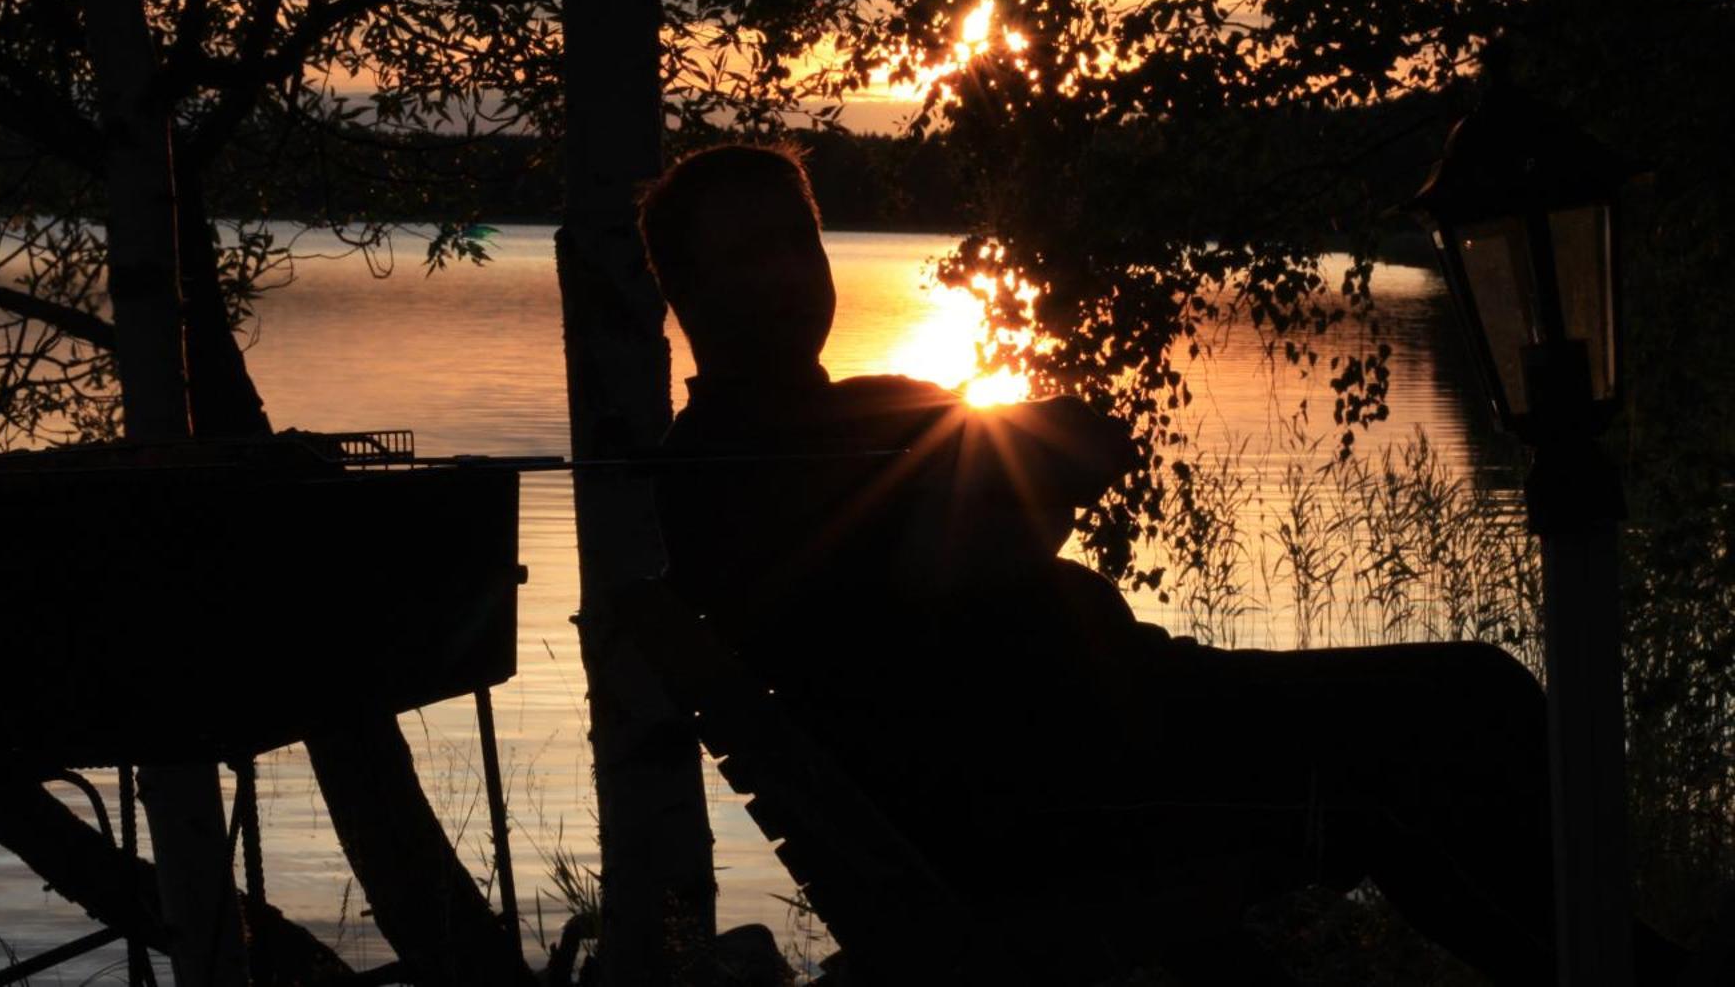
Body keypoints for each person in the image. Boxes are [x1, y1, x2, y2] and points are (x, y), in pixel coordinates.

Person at [641, 144, 1680, 986]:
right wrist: (1016, 474)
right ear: (680, 288)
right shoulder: (722, 474)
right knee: (1450, 719)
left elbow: (1056, 446)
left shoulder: (857, 411)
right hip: (1081, 796)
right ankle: (1615, 966)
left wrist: (1018, 463)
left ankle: (1606, 959)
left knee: (1458, 715)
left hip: (1140, 729)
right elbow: (936, 569)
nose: (785, 276)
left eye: (797, 242)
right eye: (747, 256)